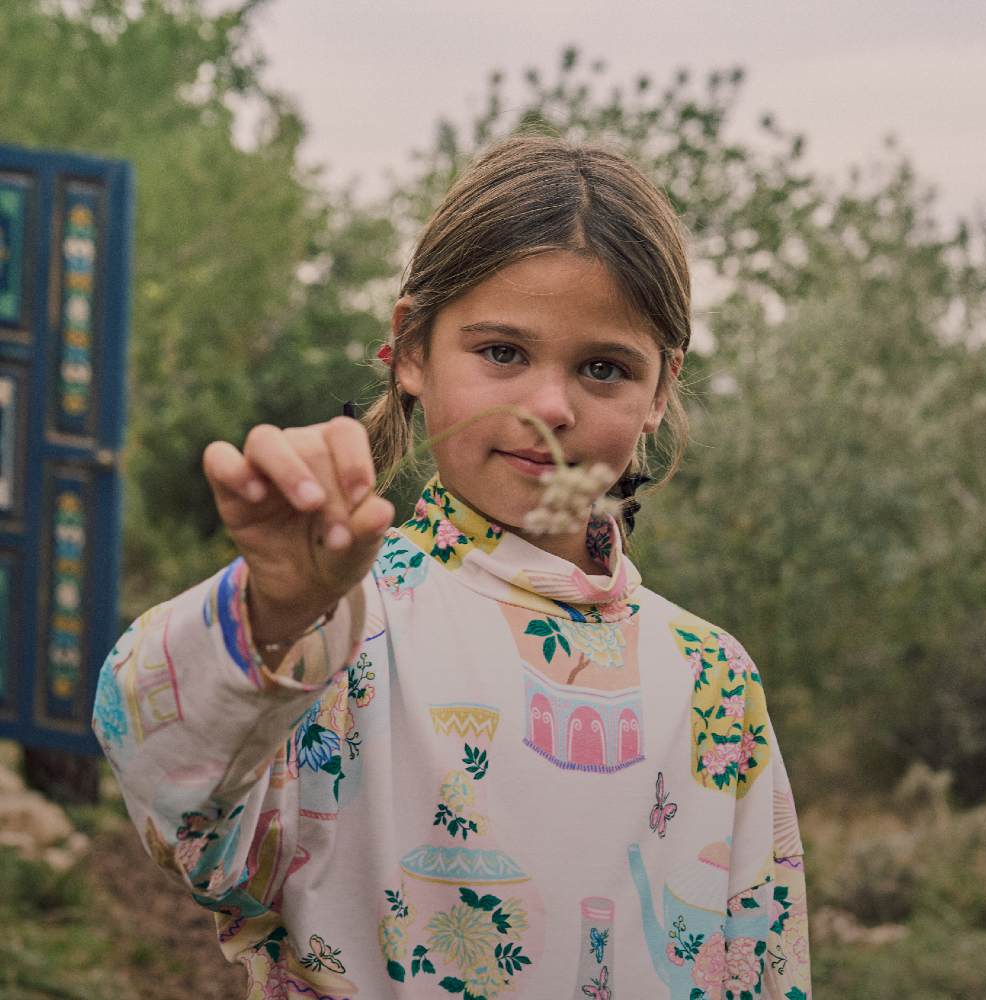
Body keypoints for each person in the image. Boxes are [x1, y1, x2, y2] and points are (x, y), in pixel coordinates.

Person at [93, 135, 811, 999]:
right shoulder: (340, 630)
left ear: (660, 390)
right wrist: (273, 611)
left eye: (604, 367)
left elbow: (761, 966)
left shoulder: (713, 683)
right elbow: (167, 784)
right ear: (411, 350)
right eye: (503, 351)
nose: (549, 404)